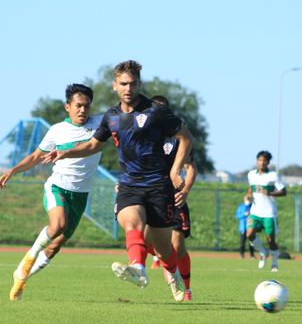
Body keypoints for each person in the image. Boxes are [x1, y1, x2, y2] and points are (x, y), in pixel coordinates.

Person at [45, 60, 193, 302]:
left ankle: (173, 273)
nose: (128, 88)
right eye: (123, 84)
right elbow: (93, 144)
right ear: (115, 85)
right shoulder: (111, 117)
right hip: (129, 185)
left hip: (158, 186)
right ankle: (138, 269)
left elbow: (186, 138)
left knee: (164, 249)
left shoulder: (155, 111)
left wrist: (175, 171)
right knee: (131, 223)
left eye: (133, 84)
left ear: (139, 84)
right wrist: (66, 152)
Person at [0, 84, 102, 301]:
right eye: (78, 106)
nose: (83, 110)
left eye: (87, 106)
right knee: (57, 225)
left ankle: (21, 277)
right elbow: (36, 156)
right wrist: (13, 171)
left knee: (55, 246)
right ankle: (28, 259)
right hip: (58, 186)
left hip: (81, 194)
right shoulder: (57, 130)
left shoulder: (100, 124)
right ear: (68, 107)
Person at [146, 95, 197, 301]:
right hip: (150, 196)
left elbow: (191, 167)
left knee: (178, 245)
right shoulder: (143, 135)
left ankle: (186, 288)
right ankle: (165, 259)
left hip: (174, 198)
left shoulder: (179, 136)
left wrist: (185, 191)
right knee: (146, 240)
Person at [245, 150, 287, 272]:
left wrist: (270, 192)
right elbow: (251, 187)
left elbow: (283, 191)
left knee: (271, 240)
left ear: (268, 162)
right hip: (255, 212)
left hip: (269, 213)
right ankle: (263, 252)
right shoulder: (251, 174)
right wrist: (248, 195)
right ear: (257, 161)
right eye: (260, 160)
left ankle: (274, 263)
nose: (262, 163)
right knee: (249, 234)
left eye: (264, 161)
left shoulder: (273, 176)